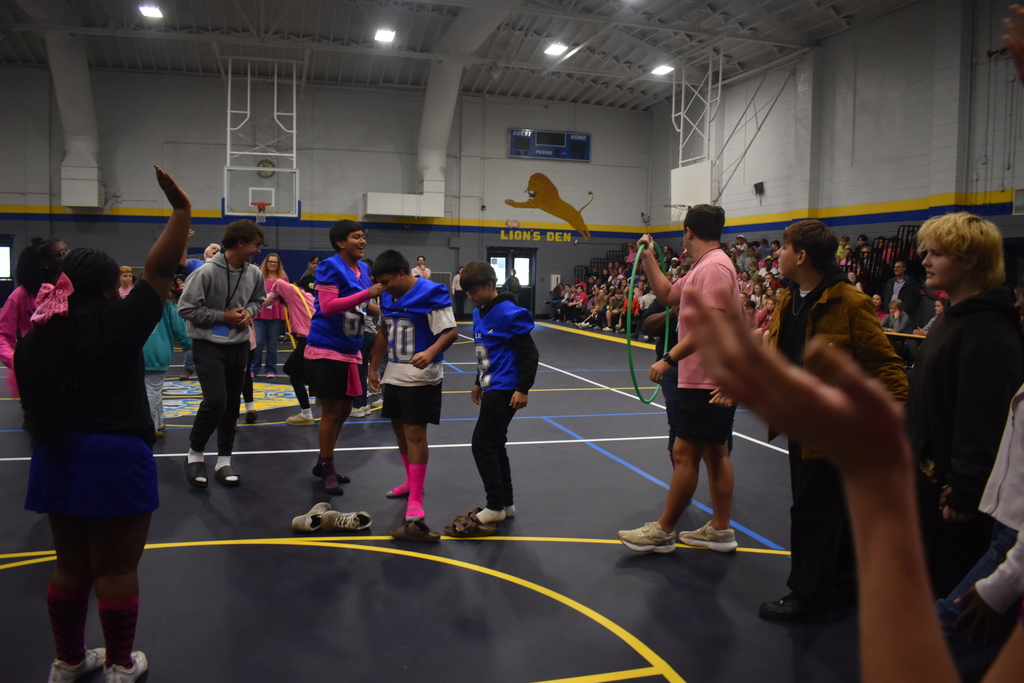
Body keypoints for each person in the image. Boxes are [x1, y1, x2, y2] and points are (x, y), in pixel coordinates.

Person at [677, 275, 1024, 683]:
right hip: (996, 529)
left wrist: (1003, 582)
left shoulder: (985, 337)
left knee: (944, 633)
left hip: (1003, 538)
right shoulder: (970, 329)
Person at [17, 166, 190, 683]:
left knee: (69, 568)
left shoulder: (37, 339)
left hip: (57, 455)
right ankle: (118, 664)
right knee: (116, 569)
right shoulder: (121, 322)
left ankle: (68, 662)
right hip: (115, 455)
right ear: (109, 287)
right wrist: (180, 210)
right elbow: (160, 271)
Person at [762, 218, 908, 621]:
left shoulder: (849, 303)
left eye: (784, 247)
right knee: (830, 510)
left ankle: (808, 596)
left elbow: (887, 367)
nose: (778, 254)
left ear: (802, 255)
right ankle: (842, 587)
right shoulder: (789, 300)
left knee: (813, 512)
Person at [906, 212, 1023, 598]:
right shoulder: (954, 321)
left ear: (970, 260)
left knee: (945, 588)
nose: (925, 261)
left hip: (952, 498)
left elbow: (984, 419)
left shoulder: (987, 333)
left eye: (936, 254)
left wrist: (965, 490)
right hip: (927, 481)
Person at [617, 204, 741, 555]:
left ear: (688, 232)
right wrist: (649, 258)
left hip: (706, 378)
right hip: (706, 376)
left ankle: (664, 530)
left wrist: (669, 359)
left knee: (685, 453)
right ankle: (720, 529)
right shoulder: (705, 266)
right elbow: (669, 294)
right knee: (716, 453)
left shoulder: (715, 268)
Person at [444, 260, 538, 537]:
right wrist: (477, 382)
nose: (470, 296)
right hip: (491, 385)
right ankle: (505, 503)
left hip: (506, 388)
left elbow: (530, 355)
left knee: (482, 444)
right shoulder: (478, 313)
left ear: (489, 286)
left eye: (474, 291)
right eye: (466, 292)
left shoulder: (510, 313)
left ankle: (494, 505)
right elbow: (485, 353)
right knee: (495, 444)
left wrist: (523, 389)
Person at [368, 249, 457, 540]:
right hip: (395, 372)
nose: (383, 286)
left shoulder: (432, 292)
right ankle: (410, 481)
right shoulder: (388, 296)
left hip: (422, 375)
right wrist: (373, 369)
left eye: (385, 281)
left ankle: (416, 497)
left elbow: (450, 331)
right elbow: (383, 332)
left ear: (402, 274)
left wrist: (430, 352)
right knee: (398, 430)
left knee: (415, 433)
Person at [177, 219, 266, 489]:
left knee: (231, 406)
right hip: (208, 345)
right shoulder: (205, 272)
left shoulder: (254, 274)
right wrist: (222, 317)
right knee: (215, 400)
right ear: (240, 243)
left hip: (238, 346)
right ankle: (195, 453)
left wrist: (248, 313)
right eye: (255, 245)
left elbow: (258, 300)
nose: (257, 251)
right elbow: (186, 309)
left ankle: (224, 460)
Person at [303, 221, 383, 493]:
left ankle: (323, 461)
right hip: (328, 346)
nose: (362, 241)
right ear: (340, 242)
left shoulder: (364, 269)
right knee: (331, 410)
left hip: (351, 348)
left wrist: (380, 310)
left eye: (363, 237)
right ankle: (327, 466)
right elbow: (326, 307)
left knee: (346, 409)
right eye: (356, 237)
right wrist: (366, 294)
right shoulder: (329, 266)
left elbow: (363, 304)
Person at [0, 238, 68, 397]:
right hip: (36, 365)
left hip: (69, 364)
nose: (67, 256)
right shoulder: (21, 295)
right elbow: (3, 334)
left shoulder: (70, 289)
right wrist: (15, 361)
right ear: (45, 262)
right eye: (62, 253)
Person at [262, 278, 317, 426]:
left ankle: (306, 414)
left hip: (306, 340)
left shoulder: (295, 295)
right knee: (288, 368)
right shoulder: (309, 297)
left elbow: (279, 284)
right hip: (310, 339)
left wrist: (268, 299)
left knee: (295, 377)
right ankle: (316, 387)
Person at [142, 292, 191, 439]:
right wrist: (188, 345)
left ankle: (158, 422)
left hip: (138, 350)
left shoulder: (134, 299)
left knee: (152, 388)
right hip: (158, 351)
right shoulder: (166, 302)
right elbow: (179, 327)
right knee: (153, 389)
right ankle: (150, 425)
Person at [250, 253, 288, 377]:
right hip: (260, 314)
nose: (272, 264)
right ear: (266, 263)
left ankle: (271, 369)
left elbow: (287, 296)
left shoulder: (283, 278)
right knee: (259, 342)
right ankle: (253, 369)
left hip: (276, 315)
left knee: (272, 344)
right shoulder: (259, 276)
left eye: (275, 262)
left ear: (278, 264)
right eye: (270, 261)